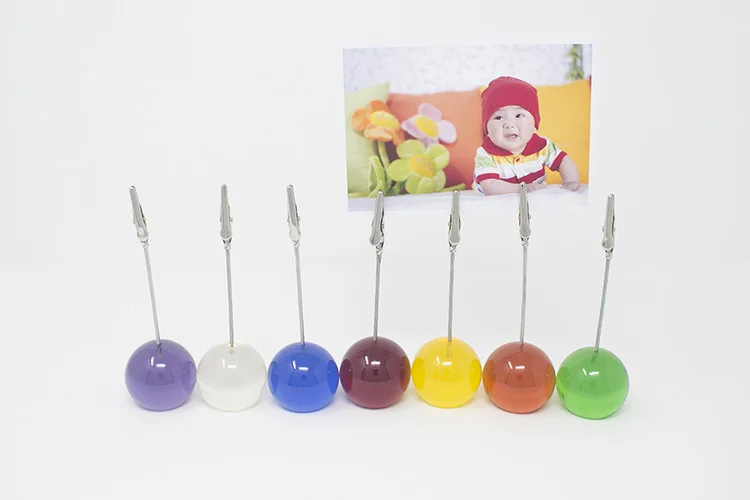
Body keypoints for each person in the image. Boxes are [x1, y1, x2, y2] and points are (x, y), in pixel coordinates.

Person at [473, 76, 580, 195]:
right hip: (499, 200)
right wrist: (521, 189)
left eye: (518, 116)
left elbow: (563, 161)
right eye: (498, 117)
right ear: (487, 129)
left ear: (534, 125)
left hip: (535, 199)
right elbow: (489, 185)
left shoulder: (542, 147)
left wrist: (570, 181)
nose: (509, 124)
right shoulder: (486, 153)